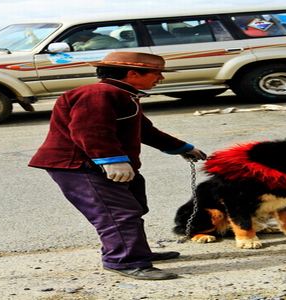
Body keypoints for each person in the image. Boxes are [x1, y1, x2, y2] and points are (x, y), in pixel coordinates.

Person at [28, 52, 207, 280]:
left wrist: (183, 148)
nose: (160, 78)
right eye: (156, 73)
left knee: (133, 207)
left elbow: (145, 131)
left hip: (98, 163)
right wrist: (112, 160)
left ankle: (135, 251)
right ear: (132, 73)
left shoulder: (122, 94)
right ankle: (125, 261)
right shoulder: (99, 94)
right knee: (117, 214)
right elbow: (89, 130)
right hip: (79, 166)